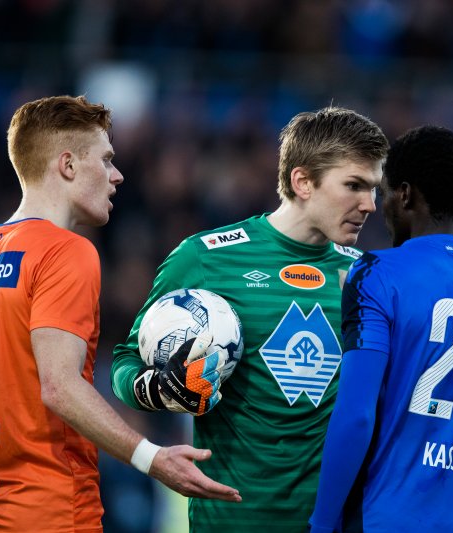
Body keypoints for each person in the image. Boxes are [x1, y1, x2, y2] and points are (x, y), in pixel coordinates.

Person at [0, 95, 240, 533]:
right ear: (67, 165)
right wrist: (152, 458)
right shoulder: (67, 252)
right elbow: (59, 387)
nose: (117, 175)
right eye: (105, 159)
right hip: (49, 514)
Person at [110, 106, 389, 532]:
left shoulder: (368, 277)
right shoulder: (206, 258)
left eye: (374, 189)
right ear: (302, 182)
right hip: (230, 521)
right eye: (354, 185)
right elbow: (126, 363)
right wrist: (157, 388)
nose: (370, 204)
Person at [308, 125, 453, 532]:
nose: (378, 208)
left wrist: (322, 524)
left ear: (406, 195)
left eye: (386, 193)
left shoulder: (377, 273)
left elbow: (356, 417)